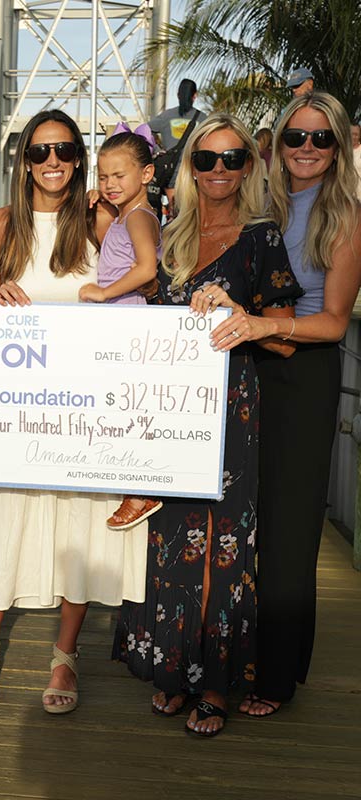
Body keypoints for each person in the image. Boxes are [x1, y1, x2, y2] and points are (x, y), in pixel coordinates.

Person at [112, 112, 301, 737]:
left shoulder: (262, 236)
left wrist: (240, 310)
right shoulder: (169, 235)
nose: (218, 170)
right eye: (205, 159)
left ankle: (216, 683)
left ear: (250, 165)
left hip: (230, 413)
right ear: (189, 167)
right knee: (169, 543)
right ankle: (174, 673)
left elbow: (282, 340)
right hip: (166, 413)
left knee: (223, 548)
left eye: (232, 158)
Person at [0, 109, 146, 715]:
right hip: (15, 413)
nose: (52, 162)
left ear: (79, 158)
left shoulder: (101, 222)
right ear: (24, 160)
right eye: (40, 152)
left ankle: (65, 656)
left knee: (78, 526)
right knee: (5, 523)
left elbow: (144, 282)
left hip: (84, 411)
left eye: (64, 150)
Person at [210, 93, 361, 718]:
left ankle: (275, 675)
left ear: (339, 147)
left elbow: (332, 322)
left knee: (290, 526)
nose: (306, 149)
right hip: (249, 368)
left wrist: (263, 328)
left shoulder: (347, 216)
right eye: (294, 138)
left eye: (320, 139)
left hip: (305, 374)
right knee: (243, 520)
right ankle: (233, 660)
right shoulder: (259, 208)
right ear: (274, 147)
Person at [78, 122, 163, 531]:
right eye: (103, 175)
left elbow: (148, 269)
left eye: (119, 175)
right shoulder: (123, 214)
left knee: (128, 407)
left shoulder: (140, 218)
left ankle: (141, 488)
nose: (110, 183)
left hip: (128, 319)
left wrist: (103, 292)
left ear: (146, 175)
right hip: (119, 321)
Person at [149, 79, 202, 210]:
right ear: (195, 95)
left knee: (172, 212)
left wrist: (157, 150)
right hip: (193, 173)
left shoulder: (166, 116)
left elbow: (144, 130)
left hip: (170, 172)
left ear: (178, 95)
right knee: (189, 212)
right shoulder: (203, 119)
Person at [351, 122, 361, 201]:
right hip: (344, 194)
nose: (353, 137)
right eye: (351, 134)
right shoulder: (341, 150)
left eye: (356, 134)